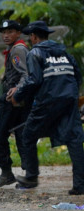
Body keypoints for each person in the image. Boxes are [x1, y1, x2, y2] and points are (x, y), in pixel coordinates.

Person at [10, 21, 84, 194]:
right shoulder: (64, 52)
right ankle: (80, 185)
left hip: (48, 101)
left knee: (28, 134)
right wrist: (71, 95)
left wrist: (18, 95)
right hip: (69, 99)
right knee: (74, 140)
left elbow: (34, 80)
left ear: (34, 36)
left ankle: (31, 177)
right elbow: (77, 75)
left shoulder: (35, 52)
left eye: (30, 37)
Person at [0, 20, 31, 187]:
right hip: (21, 101)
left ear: (18, 33)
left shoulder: (17, 50)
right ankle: (29, 176)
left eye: (10, 31)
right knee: (22, 136)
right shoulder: (17, 48)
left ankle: (6, 174)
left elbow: (26, 75)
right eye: (3, 32)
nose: (6, 35)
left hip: (13, 101)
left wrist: (16, 89)